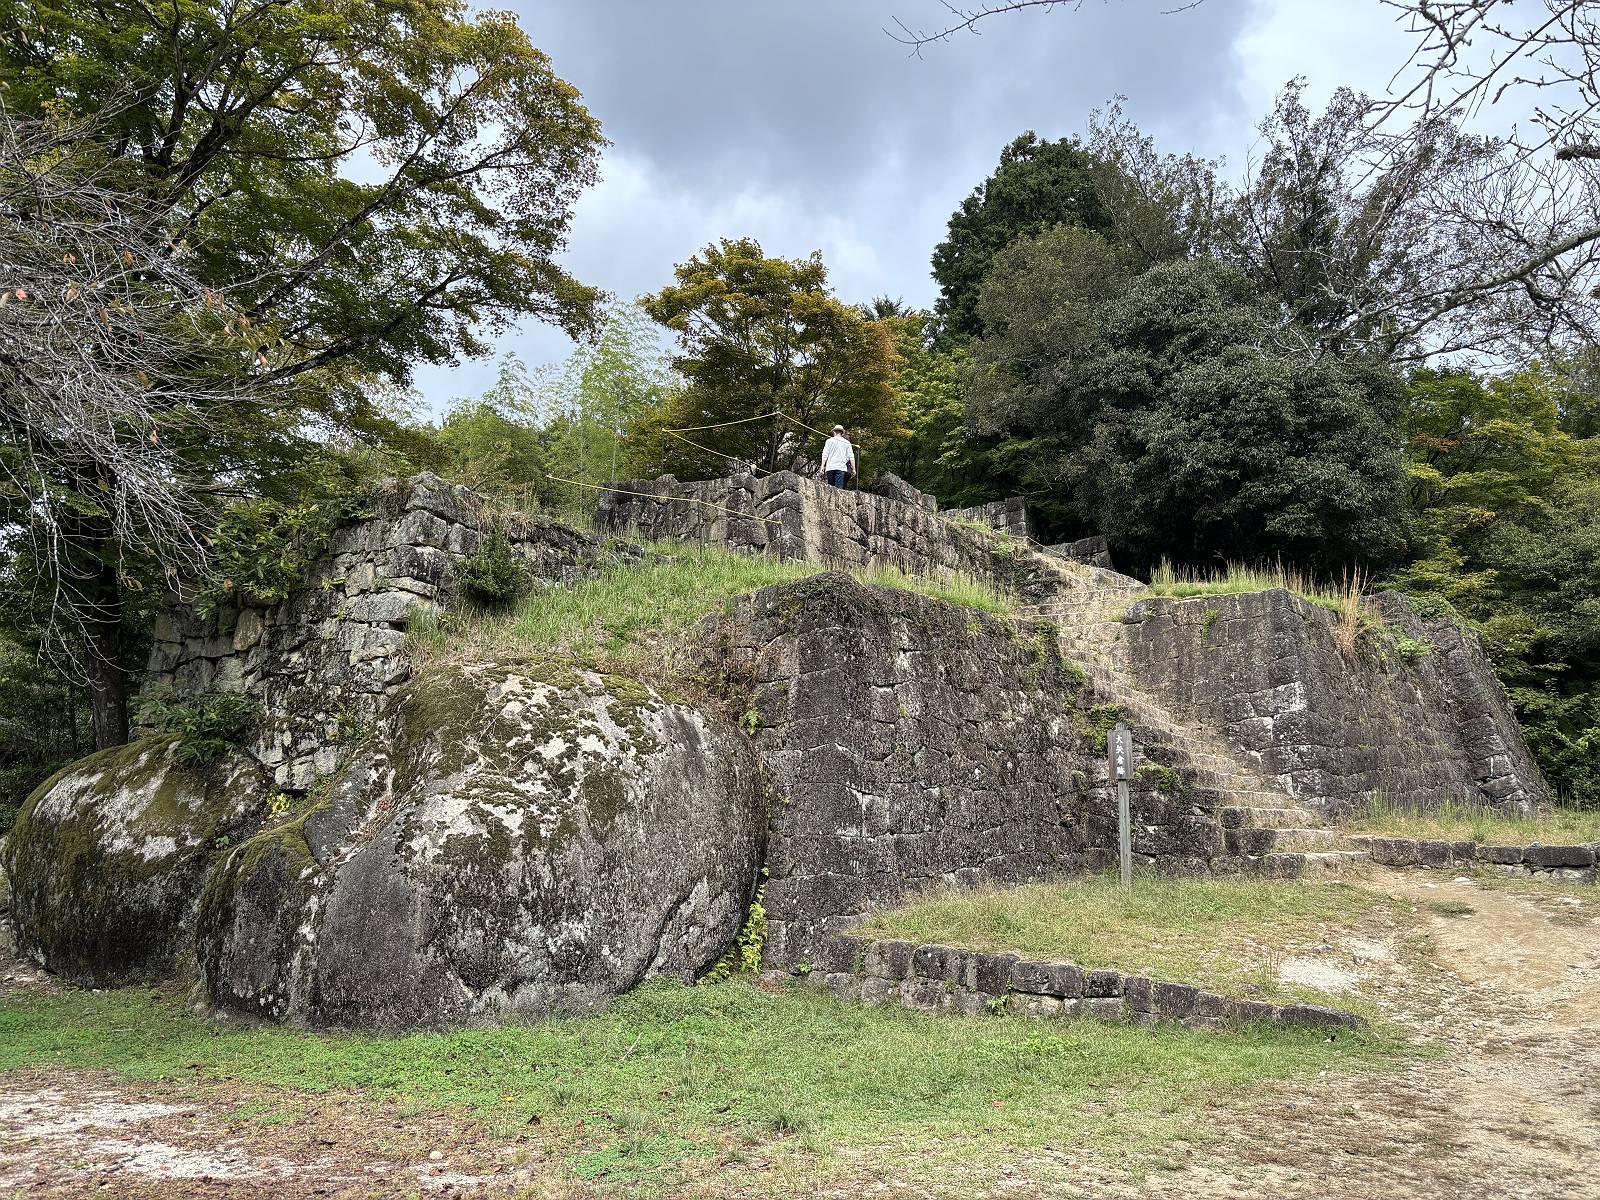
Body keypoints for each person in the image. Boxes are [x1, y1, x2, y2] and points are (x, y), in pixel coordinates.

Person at [819, 424, 856, 489]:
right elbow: (851, 457)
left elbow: (825, 454)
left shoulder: (829, 441)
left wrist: (822, 466)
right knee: (839, 489)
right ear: (842, 433)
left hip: (830, 467)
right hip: (841, 468)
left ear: (834, 432)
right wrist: (853, 469)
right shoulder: (847, 443)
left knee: (831, 489)